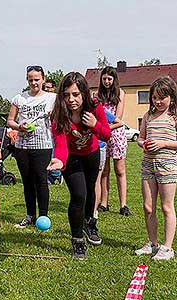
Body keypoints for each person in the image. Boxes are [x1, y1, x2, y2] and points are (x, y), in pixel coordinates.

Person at [48, 71, 111, 259]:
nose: (71, 99)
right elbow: (60, 145)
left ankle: (89, 223)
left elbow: (106, 135)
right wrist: (59, 159)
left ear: (83, 93)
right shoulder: (59, 115)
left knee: (91, 192)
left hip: (91, 155)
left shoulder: (95, 108)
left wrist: (94, 125)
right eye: (66, 95)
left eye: (75, 94)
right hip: (71, 158)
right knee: (78, 195)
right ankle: (77, 241)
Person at [135, 76, 177, 260]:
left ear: (172, 98)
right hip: (148, 165)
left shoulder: (176, 117)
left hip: (167, 166)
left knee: (167, 207)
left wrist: (163, 143)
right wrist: (144, 144)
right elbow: (140, 138)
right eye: (154, 98)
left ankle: (167, 248)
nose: (158, 101)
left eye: (162, 98)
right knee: (148, 206)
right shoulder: (147, 116)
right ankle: (152, 244)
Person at [7, 65, 56, 228]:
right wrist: (19, 127)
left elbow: (61, 117)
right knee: (27, 182)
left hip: (43, 145)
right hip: (22, 146)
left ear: (43, 79)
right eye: (31, 80)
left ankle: (43, 216)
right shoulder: (19, 98)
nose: (34, 83)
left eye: (37, 79)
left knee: (41, 181)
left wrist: (53, 114)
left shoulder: (52, 98)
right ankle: (30, 215)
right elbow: (10, 121)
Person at [98, 66, 132, 216]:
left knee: (120, 170)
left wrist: (105, 127)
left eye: (109, 79)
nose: (106, 81)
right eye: (104, 79)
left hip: (116, 135)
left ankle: (123, 205)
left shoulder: (120, 93)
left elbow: (119, 120)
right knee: (104, 170)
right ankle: (104, 203)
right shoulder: (97, 95)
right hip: (102, 136)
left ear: (114, 80)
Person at [88, 108, 123, 245]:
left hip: (99, 147)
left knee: (96, 180)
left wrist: (103, 127)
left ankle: (93, 211)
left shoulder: (99, 109)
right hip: (82, 148)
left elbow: (119, 122)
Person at [43, 79, 62, 185]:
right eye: (45, 87)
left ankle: (56, 175)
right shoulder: (43, 98)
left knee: (54, 152)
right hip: (45, 130)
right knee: (47, 153)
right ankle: (50, 176)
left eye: (48, 87)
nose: (46, 89)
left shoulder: (56, 99)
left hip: (55, 129)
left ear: (54, 88)